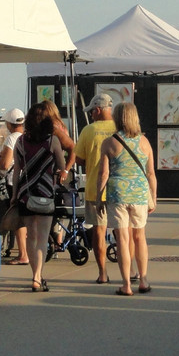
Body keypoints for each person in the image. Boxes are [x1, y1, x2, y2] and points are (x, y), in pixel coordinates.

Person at [96, 102, 157, 296]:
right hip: (139, 194)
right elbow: (151, 173)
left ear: (117, 118)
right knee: (140, 237)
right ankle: (143, 280)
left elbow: (104, 174)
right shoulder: (144, 142)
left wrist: (99, 197)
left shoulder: (109, 143)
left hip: (117, 194)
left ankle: (126, 284)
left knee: (122, 239)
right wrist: (153, 197)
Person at [11, 100, 66, 292]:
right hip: (46, 194)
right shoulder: (53, 141)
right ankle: (37, 277)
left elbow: (16, 171)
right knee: (42, 238)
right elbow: (62, 166)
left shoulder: (20, 142)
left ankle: (35, 276)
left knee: (31, 236)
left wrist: (14, 195)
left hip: (25, 195)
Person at [72, 94, 117, 284]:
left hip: (95, 187)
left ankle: (103, 273)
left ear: (98, 110)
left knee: (99, 230)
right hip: (119, 188)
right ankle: (130, 271)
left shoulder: (89, 130)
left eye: (92, 112)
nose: (91, 115)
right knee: (124, 230)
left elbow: (79, 158)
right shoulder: (120, 128)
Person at [0, 108, 28, 265]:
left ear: (10, 124)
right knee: (25, 218)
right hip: (26, 181)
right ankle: (26, 252)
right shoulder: (27, 137)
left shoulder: (12, 138)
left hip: (13, 182)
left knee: (17, 218)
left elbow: (5, 164)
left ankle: (23, 254)